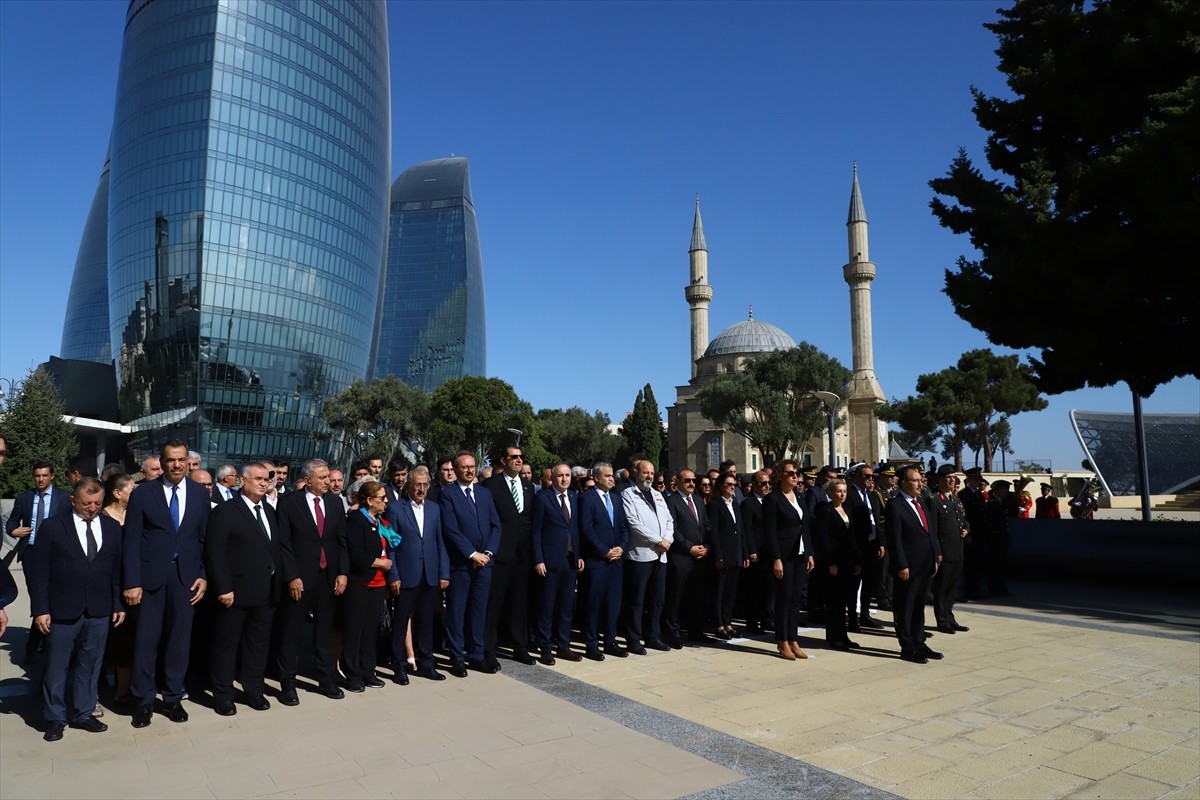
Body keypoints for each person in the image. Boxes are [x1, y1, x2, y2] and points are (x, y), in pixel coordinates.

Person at [25, 478, 125, 741]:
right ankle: (55, 717)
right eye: (86, 503)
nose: (92, 508)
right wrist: (40, 609)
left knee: (91, 663)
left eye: (97, 503)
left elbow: (116, 571)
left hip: (100, 609)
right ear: (73, 501)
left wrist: (117, 604)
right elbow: (40, 573)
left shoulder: (112, 528)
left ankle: (83, 712)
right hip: (62, 609)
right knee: (57, 665)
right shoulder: (53, 527)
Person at [122, 441, 210, 727]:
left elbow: (202, 539)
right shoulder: (143, 493)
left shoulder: (198, 494)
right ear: (162, 461)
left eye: (181, 460)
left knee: (179, 642)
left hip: (185, 579)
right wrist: (132, 581)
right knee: (146, 642)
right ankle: (144, 701)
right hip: (150, 580)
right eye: (171, 460)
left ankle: (172, 698)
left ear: (188, 461)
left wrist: (203, 574)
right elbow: (132, 541)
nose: (176, 465)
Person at [204, 463, 281, 716]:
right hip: (234, 594)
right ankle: (223, 694)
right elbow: (215, 553)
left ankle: (253, 690)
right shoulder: (226, 511)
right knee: (227, 646)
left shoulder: (268, 511)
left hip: (265, 593)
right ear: (242, 481)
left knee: (257, 646)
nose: (263, 483)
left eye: (266, 479)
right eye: (257, 479)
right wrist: (224, 587)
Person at [274, 458, 348, 703]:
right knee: (291, 633)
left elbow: (341, 541)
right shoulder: (289, 503)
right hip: (299, 579)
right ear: (307, 480)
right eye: (323, 478)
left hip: (327, 578)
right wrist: (292, 576)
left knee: (324, 632)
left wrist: (342, 572)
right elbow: (283, 544)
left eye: (329, 476)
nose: (329, 481)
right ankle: (287, 683)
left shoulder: (335, 503)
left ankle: (326, 678)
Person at [438, 451, 502, 677]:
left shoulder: (485, 494)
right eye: (464, 467)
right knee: (456, 612)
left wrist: (489, 552)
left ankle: (476, 654)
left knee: (478, 611)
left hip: (485, 564)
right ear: (455, 470)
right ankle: (457, 657)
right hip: (462, 565)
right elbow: (450, 529)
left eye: (472, 466)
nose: (469, 470)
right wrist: (472, 554)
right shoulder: (448, 495)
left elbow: (496, 525)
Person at [384, 466, 449, 683]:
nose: (422, 489)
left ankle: (426, 663)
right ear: (409, 486)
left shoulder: (434, 509)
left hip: (429, 574)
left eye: (425, 485)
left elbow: (440, 541)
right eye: (418, 485)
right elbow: (391, 546)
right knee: (401, 622)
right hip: (406, 575)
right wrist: (393, 575)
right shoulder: (395, 509)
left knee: (426, 622)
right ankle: (399, 665)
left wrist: (443, 572)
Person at [481, 446, 537, 667]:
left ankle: (519, 647)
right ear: (503, 460)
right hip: (500, 553)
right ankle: (489, 649)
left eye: (521, 457)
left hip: (523, 554)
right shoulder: (491, 486)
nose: (519, 460)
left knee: (519, 603)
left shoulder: (528, 486)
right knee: (494, 604)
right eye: (514, 457)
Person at [886, 465, 942, 664]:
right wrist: (901, 564)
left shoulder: (924, 503)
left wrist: (936, 556)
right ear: (903, 482)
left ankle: (920, 642)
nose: (920, 483)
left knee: (919, 606)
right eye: (915, 480)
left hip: (926, 563)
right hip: (908, 566)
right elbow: (895, 539)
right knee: (905, 607)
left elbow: (931, 533)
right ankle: (908, 647)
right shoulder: (895, 505)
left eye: (921, 479)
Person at [341, 480, 393, 693]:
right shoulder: (355, 519)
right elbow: (355, 553)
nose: (386, 501)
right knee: (355, 629)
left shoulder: (379, 520)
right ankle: (353, 674)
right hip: (360, 582)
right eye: (382, 498)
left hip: (378, 583)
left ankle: (368, 671)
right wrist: (380, 563)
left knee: (371, 630)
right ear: (369, 500)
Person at [759, 459, 813, 661]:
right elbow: (770, 532)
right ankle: (782, 641)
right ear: (780, 475)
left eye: (796, 473)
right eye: (790, 473)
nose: (795, 476)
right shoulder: (773, 499)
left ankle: (793, 639)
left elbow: (805, 527)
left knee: (795, 600)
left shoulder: (800, 497)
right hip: (783, 555)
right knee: (783, 599)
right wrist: (776, 559)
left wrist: (809, 553)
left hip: (799, 555)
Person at [531, 462, 584, 665]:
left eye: (567, 475)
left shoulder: (573, 497)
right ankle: (545, 648)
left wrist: (579, 555)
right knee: (547, 606)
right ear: (552, 478)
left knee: (565, 606)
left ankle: (563, 645)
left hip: (570, 560)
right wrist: (539, 559)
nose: (564, 479)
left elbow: (575, 529)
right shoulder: (543, 498)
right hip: (550, 561)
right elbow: (535, 532)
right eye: (560, 475)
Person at [621, 459, 674, 655]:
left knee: (657, 600)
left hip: (661, 555)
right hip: (641, 556)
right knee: (637, 601)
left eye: (652, 473)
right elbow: (634, 524)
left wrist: (667, 539)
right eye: (645, 473)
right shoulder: (628, 494)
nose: (649, 476)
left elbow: (669, 520)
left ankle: (653, 636)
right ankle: (634, 639)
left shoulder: (658, 495)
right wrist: (657, 540)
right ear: (637, 473)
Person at [578, 462, 628, 660]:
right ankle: (591, 644)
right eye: (607, 476)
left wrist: (621, 548)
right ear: (596, 478)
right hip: (597, 561)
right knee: (593, 604)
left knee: (613, 603)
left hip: (616, 561)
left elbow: (624, 527)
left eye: (612, 476)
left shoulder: (616, 499)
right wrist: (604, 551)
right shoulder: (587, 499)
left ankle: (610, 641)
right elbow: (586, 529)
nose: (611, 479)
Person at [811, 477, 860, 651]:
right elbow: (824, 539)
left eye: (844, 491)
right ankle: (834, 637)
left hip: (847, 561)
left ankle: (843, 635)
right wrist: (829, 562)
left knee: (844, 601)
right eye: (838, 491)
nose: (842, 494)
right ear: (830, 493)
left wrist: (856, 561)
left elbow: (851, 537)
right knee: (834, 602)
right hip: (833, 563)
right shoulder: (826, 510)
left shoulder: (846, 510)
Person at [100, 474, 136, 706]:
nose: (137, 492)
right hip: (105, 588)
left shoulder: (134, 517)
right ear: (117, 493)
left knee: (127, 641)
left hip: (131, 587)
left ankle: (123, 691)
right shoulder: (101, 519)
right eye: (132, 489)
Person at [664, 468, 710, 647]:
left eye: (693, 480)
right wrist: (689, 548)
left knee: (697, 596)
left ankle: (696, 631)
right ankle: (673, 632)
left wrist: (706, 546)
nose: (691, 483)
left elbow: (706, 525)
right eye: (687, 480)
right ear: (678, 482)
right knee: (676, 596)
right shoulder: (672, 501)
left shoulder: (698, 501)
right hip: (681, 556)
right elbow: (673, 529)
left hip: (700, 556)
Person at [5, 461, 71, 569]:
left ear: (52, 476)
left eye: (44, 475)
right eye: (37, 476)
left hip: (55, 551)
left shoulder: (65, 498)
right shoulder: (24, 498)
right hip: (30, 551)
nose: (41, 479)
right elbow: (12, 521)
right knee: (33, 585)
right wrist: (13, 531)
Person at [846, 464, 885, 632]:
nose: (870, 479)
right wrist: (854, 551)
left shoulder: (873, 496)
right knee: (854, 584)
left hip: (872, 546)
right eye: (866, 476)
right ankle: (853, 618)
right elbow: (850, 526)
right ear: (855, 476)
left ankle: (865, 614)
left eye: (872, 476)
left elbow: (877, 521)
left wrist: (880, 543)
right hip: (857, 547)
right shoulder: (849, 495)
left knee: (870, 582)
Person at [930, 466, 970, 635]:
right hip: (944, 551)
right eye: (947, 477)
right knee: (941, 588)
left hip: (957, 550)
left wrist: (967, 529)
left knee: (952, 587)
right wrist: (937, 552)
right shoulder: (934, 500)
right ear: (939, 480)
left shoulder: (956, 499)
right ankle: (942, 620)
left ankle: (950, 617)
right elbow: (932, 529)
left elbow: (964, 520)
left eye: (953, 477)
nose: (951, 480)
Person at [708, 472, 747, 641]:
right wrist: (718, 555)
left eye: (734, 484)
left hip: (736, 555)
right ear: (721, 486)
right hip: (723, 555)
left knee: (731, 593)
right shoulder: (715, 505)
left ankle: (728, 622)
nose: (732, 487)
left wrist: (744, 553)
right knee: (719, 592)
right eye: (729, 484)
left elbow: (741, 531)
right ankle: (718, 624)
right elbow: (713, 532)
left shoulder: (736, 504)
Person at [738, 470, 772, 635]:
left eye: (768, 483)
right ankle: (752, 622)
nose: (767, 486)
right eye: (763, 483)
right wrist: (751, 551)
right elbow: (747, 530)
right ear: (754, 485)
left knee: (768, 589)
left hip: (769, 552)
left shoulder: (770, 501)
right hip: (756, 553)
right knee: (754, 590)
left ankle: (767, 619)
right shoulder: (748, 503)